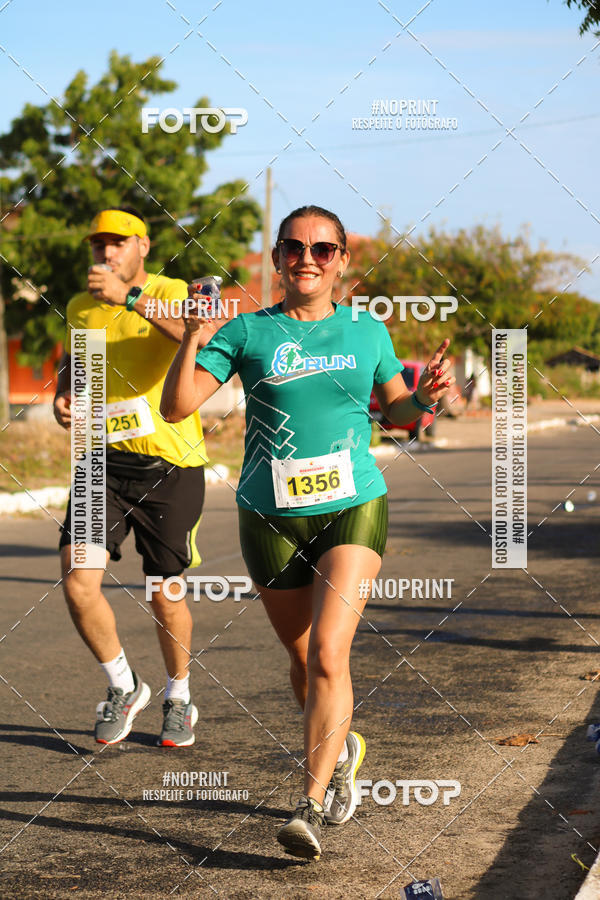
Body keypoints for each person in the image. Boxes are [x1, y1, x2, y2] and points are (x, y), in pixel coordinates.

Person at [160, 205, 455, 858]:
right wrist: (189, 337)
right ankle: (344, 747)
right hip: (268, 515)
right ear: (276, 258)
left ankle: (309, 804)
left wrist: (427, 396)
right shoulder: (246, 332)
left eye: (324, 250)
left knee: (328, 654)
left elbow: (400, 412)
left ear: (343, 260)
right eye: (294, 247)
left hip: (354, 504)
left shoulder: (365, 331)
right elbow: (176, 406)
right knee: (302, 664)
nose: (308, 259)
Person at [54, 206, 214, 747]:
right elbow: (81, 364)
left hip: (171, 465)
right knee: (78, 581)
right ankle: (124, 686)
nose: (106, 252)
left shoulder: (173, 290)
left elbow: (200, 338)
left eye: (118, 243)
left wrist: (126, 297)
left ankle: (179, 695)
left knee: (164, 594)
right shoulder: (80, 306)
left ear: (142, 247)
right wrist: (65, 394)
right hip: (103, 462)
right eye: (99, 244)